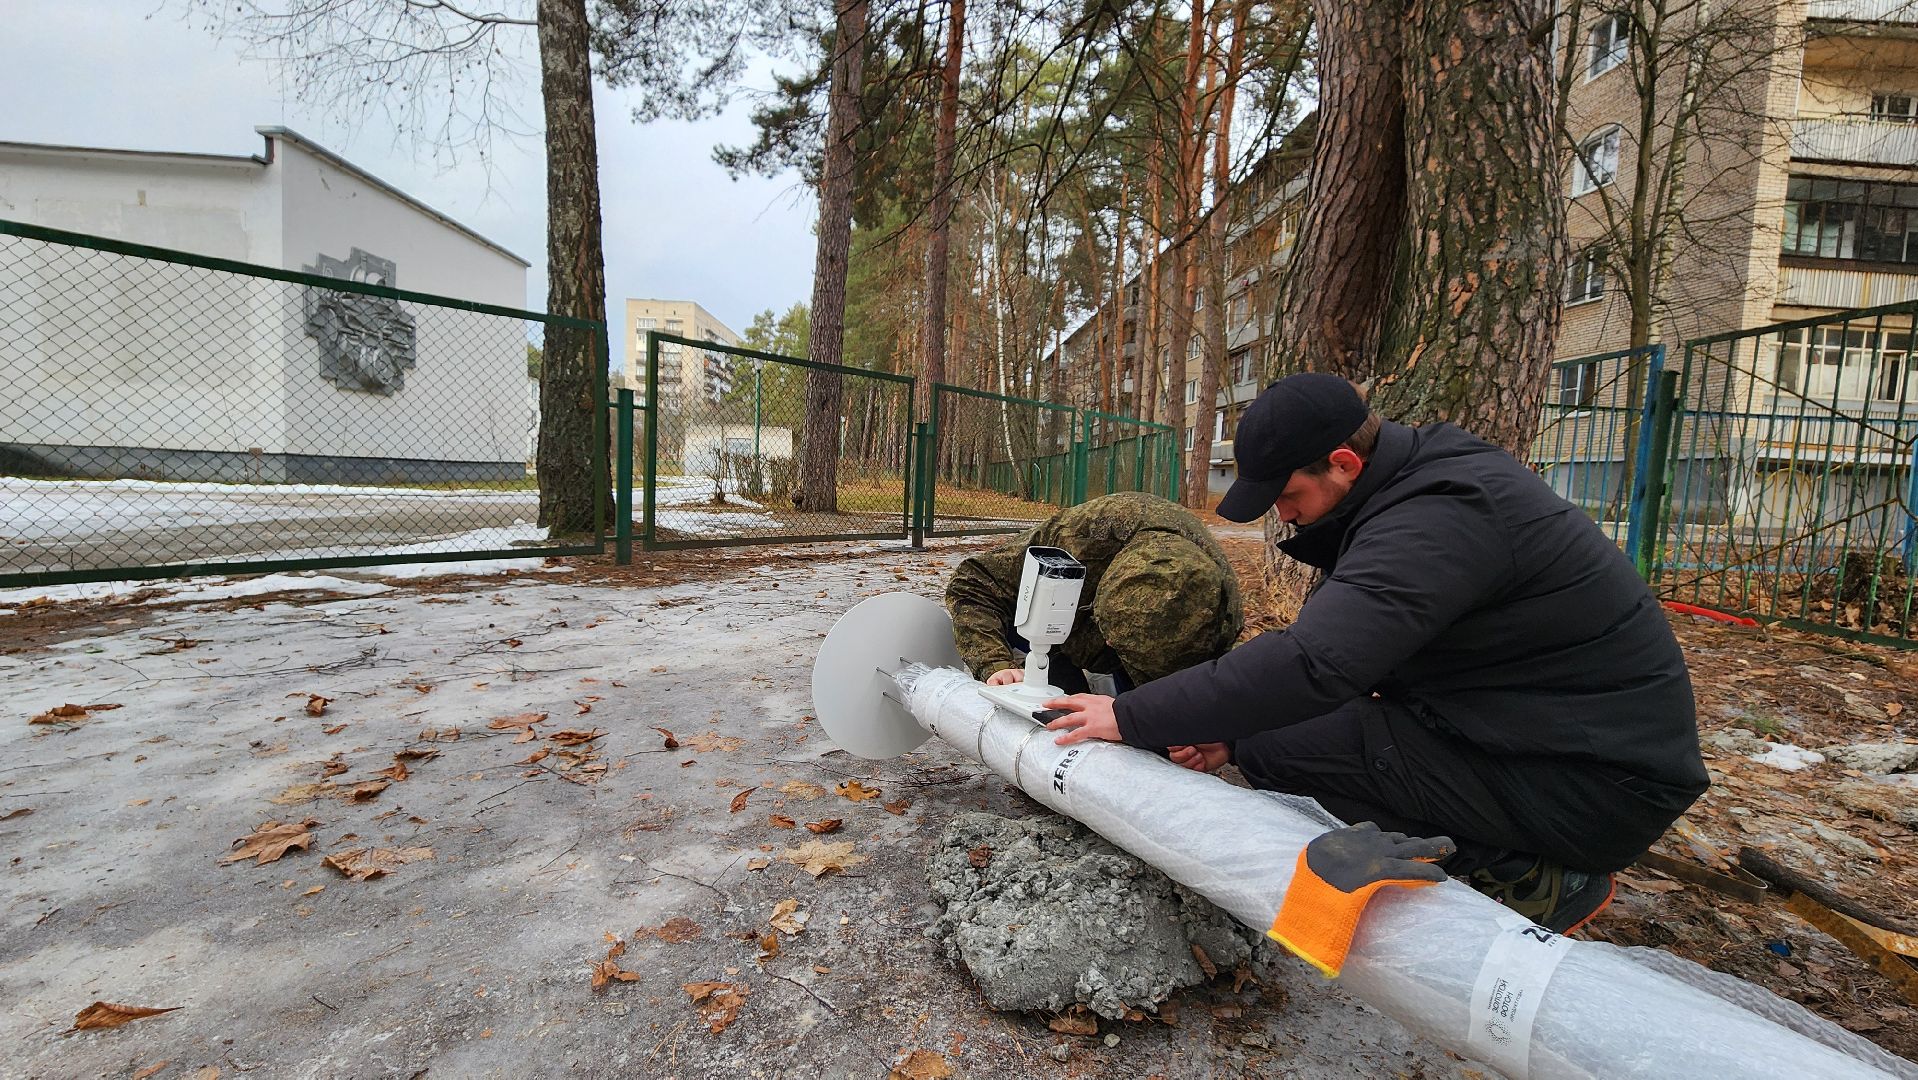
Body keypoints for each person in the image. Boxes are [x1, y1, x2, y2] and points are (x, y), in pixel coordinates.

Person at [1040, 373, 1710, 934]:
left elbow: (1314, 664)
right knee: (1265, 743)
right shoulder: (1413, 488)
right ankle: (1496, 843)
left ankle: (1535, 876)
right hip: (1531, 736)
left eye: (1289, 498)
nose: (1287, 518)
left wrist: (1132, 716)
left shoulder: (1440, 515)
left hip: (1597, 785)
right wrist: (1224, 730)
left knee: (1291, 739)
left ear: (1344, 464)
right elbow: (1353, 659)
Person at [945, 491, 1243, 697]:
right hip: (1059, 627)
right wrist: (994, 664)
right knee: (1060, 718)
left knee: (1156, 739)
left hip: (1164, 664)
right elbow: (973, 584)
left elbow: (1211, 694)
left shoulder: (1219, 614)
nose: (1111, 641)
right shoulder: (1078, 540)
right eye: (1112, 636)